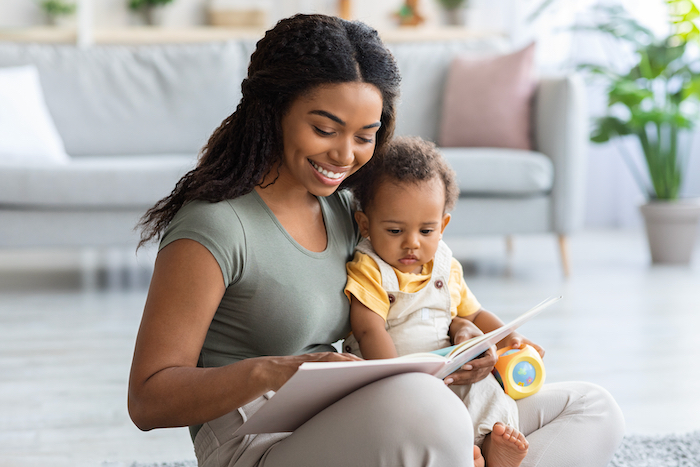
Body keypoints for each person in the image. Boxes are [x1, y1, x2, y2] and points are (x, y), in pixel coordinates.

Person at [127, 13, 625, 467]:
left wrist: (462, 336)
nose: (345, 155)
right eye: (325, 129)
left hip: (367, 413)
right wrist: (276, 371)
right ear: (273, 110)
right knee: (428, 411)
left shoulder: (351, 210)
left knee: (591, 407)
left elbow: (411, 291)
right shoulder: (214, 226)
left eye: (365, 136)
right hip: (262, 444)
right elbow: (147, 400)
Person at [343, 136, 528, 466]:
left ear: (442, 226)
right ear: (366, 225)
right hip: (392, 378)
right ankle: (458, 451)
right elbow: (369, 330)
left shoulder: (446, 266)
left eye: (426, 231)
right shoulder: (370, 267)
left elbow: (475, 312)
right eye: (395, 231)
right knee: (426, 416)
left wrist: (509, 338)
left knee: (486, 389)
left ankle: (491, 444)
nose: (411, 244)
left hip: (447, 369)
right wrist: (397, 381)